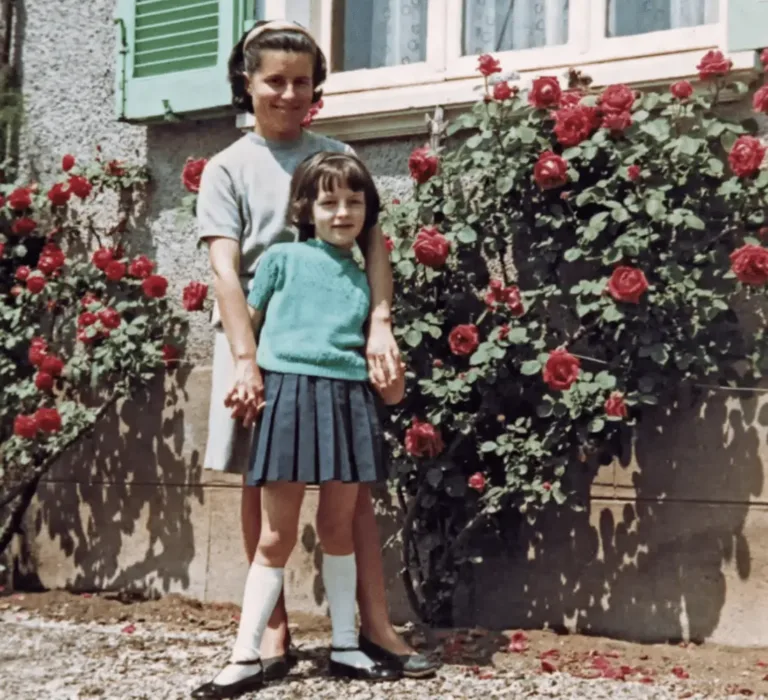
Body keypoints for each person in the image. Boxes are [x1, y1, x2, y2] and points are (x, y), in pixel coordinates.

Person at [193, 17, 439, 695]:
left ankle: (372, 626)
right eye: (275, 80)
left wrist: (380, 325)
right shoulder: (227, 167)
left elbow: (377, 249)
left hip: (336, 343)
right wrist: (246, 360)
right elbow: (225, 272)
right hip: (257, 338)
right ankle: (269, 630)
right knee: (260, 480)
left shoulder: (333, 155)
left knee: (348, 487)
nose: (290, 93)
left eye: (302, 82)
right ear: (248, 83)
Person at [195, 152, 408, 699]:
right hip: (287, 398)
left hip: (346, 402)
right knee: (276, 535)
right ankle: (245, 656)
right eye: (329, 201)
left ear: (368, 209)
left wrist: (389, 378)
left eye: (354, 202)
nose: (342, 213)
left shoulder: (365, 279)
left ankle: (344, 645)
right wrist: (249, 374)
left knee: (339, 529)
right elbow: (249, 320)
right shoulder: (280, 260)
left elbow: (384, 371)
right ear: (306, 209)